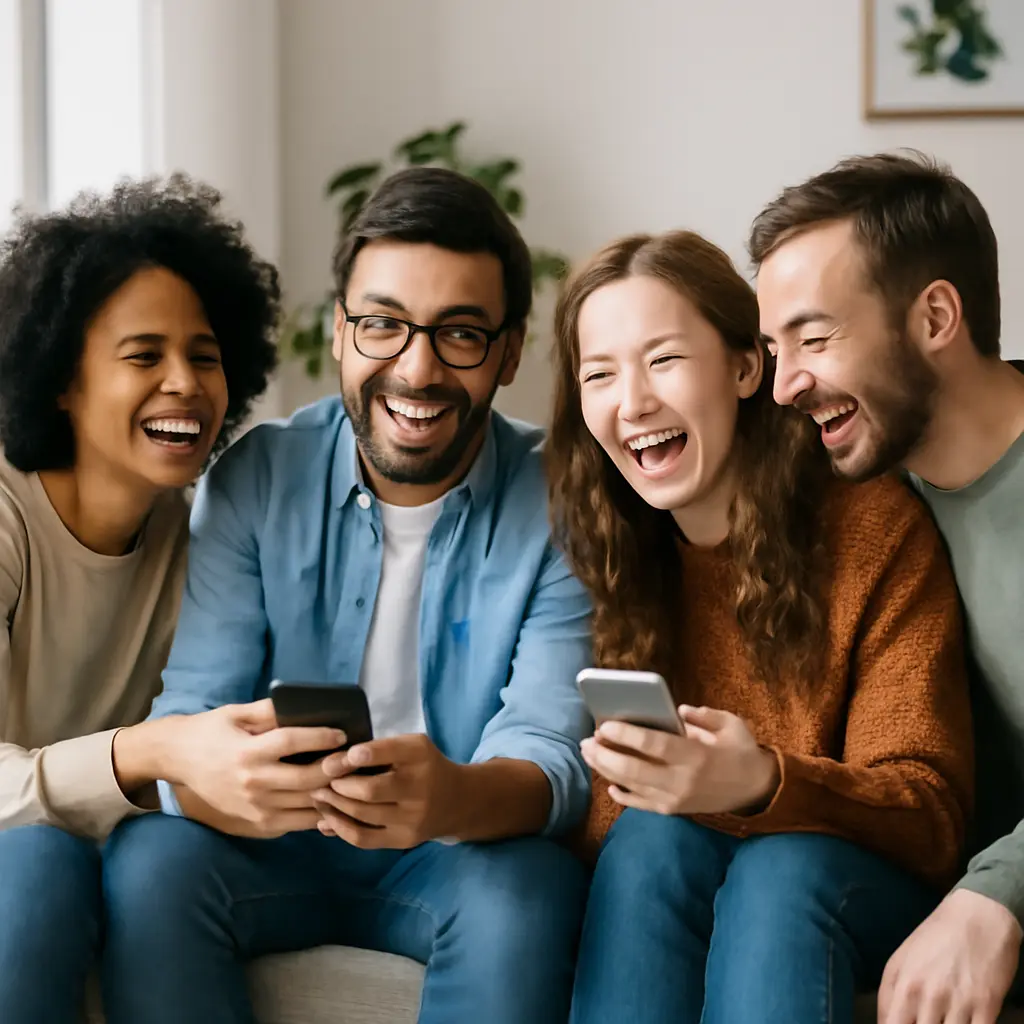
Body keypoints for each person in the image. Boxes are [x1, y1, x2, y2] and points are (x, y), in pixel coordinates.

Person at [99, 166, 593, 1024]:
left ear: (511, 352)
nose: (418, 368)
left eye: (461, 334)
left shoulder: (564, 500)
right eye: (383, 325)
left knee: (528, 887)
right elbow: (195, 712)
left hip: (453, 851)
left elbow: (550, 758)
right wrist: (230, 787)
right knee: (149, 863)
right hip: (271, 848)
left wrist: (450, 797)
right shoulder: (257, 477)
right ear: (338, 332)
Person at [545, 228, 974, 1024]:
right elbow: (602, 831)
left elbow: (930, 813)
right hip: (690, 876)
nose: (631, 401)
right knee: (649, 842)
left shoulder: (871, 531)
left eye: (663, 359)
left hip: (858, 888)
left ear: (747, 368)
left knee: (781, 869)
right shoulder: (615, 548)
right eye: (598, 374)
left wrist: (764, 785)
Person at [752, 150, 1024, 1024]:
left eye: (816, 338)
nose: (787, 383)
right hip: (916, 871)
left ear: (936, 315)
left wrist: (1000, 895)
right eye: (773, 347)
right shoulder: (852, 494)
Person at [0, 175, 279, 1022]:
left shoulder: (205, 535)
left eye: (204, 354)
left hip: (92, 851)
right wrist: (145, 753)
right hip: (29, 860)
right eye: (143, 354)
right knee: (41, 863)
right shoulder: (7, 518)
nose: (185, 383)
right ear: (62, 380)